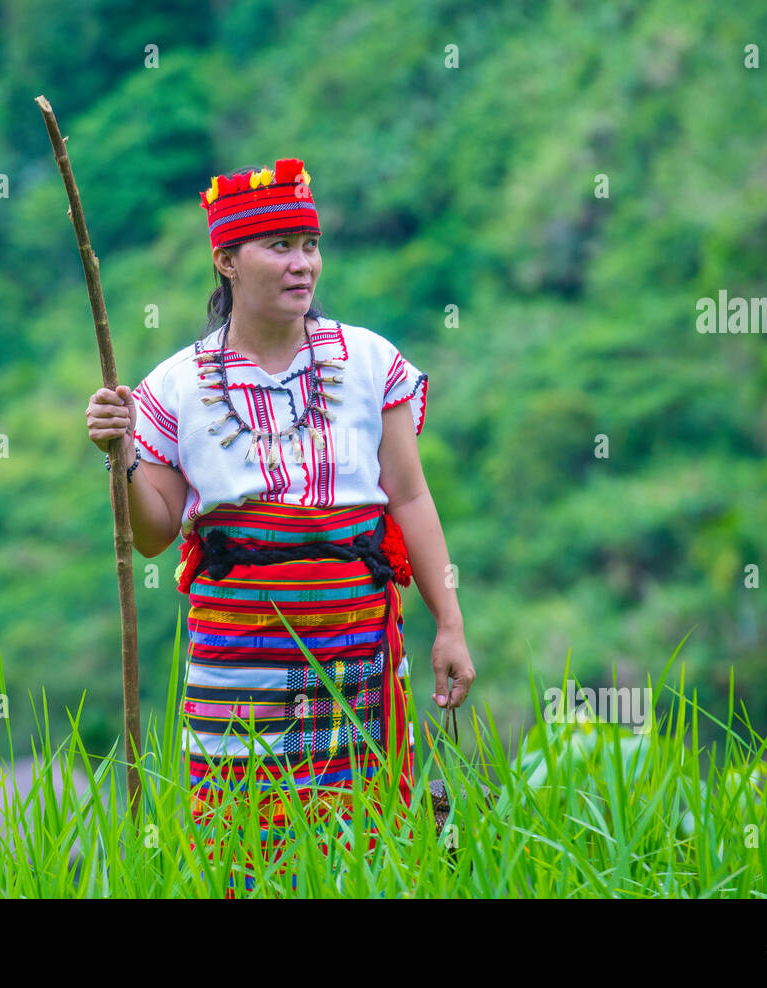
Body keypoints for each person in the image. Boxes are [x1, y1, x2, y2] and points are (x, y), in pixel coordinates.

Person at [85, 157, 474, 892]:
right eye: (280, 247)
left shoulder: (370, 363)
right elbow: (156, 532)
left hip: (357, 648)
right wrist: (124, 454)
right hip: (237, 663)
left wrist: (448, 623)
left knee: (366, 844)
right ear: (227, 260)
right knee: (240, 848)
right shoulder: (172, 387)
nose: (303, 265)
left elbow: (412, 499)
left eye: (310, 245)